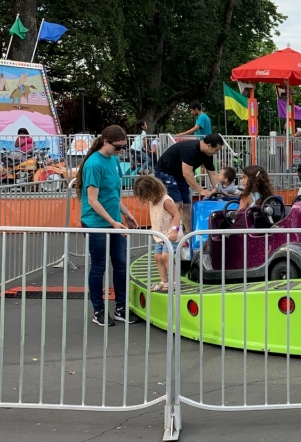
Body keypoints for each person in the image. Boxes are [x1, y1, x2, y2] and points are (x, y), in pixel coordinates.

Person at [75, 125, 142, 327]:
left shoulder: (114, 159)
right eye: (117, 147)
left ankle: (121, 308)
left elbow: (113, 194)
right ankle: (99, 311)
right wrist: (112, 222)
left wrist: (127, 214)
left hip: (115, 222)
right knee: (99, 266)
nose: (120, 151)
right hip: (97, 224)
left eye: (123, 147)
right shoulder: (94, 164)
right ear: (105, 142)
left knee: (120, 264)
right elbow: (93, 200)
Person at [154, 133, 224, 233]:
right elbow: (187, 173)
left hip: (180, 175)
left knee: (186, 205)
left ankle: (189, 234)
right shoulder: (190, 149)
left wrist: (219, 191)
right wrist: (201, 190)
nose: (216, 153)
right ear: (209, 146)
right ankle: (169, 233)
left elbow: (212, 173)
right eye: (216, 150)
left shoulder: (207, 154)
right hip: (165, 172)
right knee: (176, 204)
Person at [133, 175, 181, 293]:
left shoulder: (166, 201)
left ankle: (174, 281)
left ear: (154, 190)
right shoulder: (153, 201)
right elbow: (158, 216)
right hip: (160, 235)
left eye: (148, 196)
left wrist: (175, 230)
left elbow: (176, 215)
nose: (147, 199)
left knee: (166, 256)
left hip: (170, 234)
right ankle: (164, 281)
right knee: (158, 257)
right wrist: (153, 228)